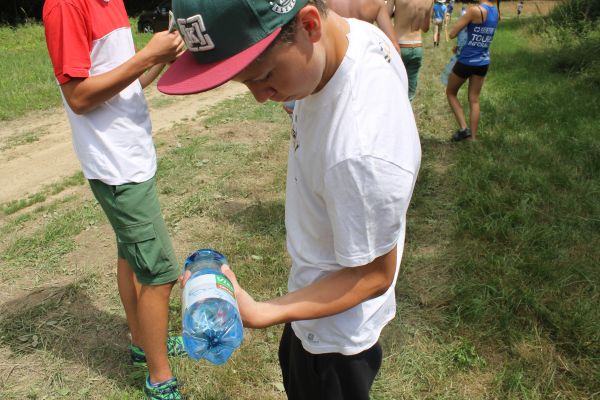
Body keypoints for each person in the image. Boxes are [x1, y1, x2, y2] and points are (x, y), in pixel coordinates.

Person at [159, 0, 421, 399]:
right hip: (315, 305)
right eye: (244, 83)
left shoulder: (359, 151)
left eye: (264, 76)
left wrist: (266, 311)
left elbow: (373, 275)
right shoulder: (354, 38)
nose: (260, 97)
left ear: (309, 25)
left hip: (334, 339)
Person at [42, 0, 186, 398]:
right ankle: (159, 379)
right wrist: (147, 54)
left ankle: (143, 344)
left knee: (131, 256)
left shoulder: (114, 2)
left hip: (134, 155)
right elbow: (80, 97)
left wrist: (164, 57)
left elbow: (126, 82)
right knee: (160, 273)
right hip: (116, 167)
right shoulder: (66, 6)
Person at [445, 0, 499, 141]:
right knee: (474, 100)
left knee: (450, 92)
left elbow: (452, 33)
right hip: (483, 61)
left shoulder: (474, 11)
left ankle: (464, 128)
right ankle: (473, 139)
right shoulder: (496, 12)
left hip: (467, 61)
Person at [389, 0, 434, 102]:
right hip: (417, 46)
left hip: (399, 45)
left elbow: (385, 16)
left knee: (394, 88)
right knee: (409, 93)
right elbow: (426, 28)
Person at [327, 0, 400, 52]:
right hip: (365, 57)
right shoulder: (376, 2)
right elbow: (394, 46)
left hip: (338, 60)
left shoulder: (327, 2)